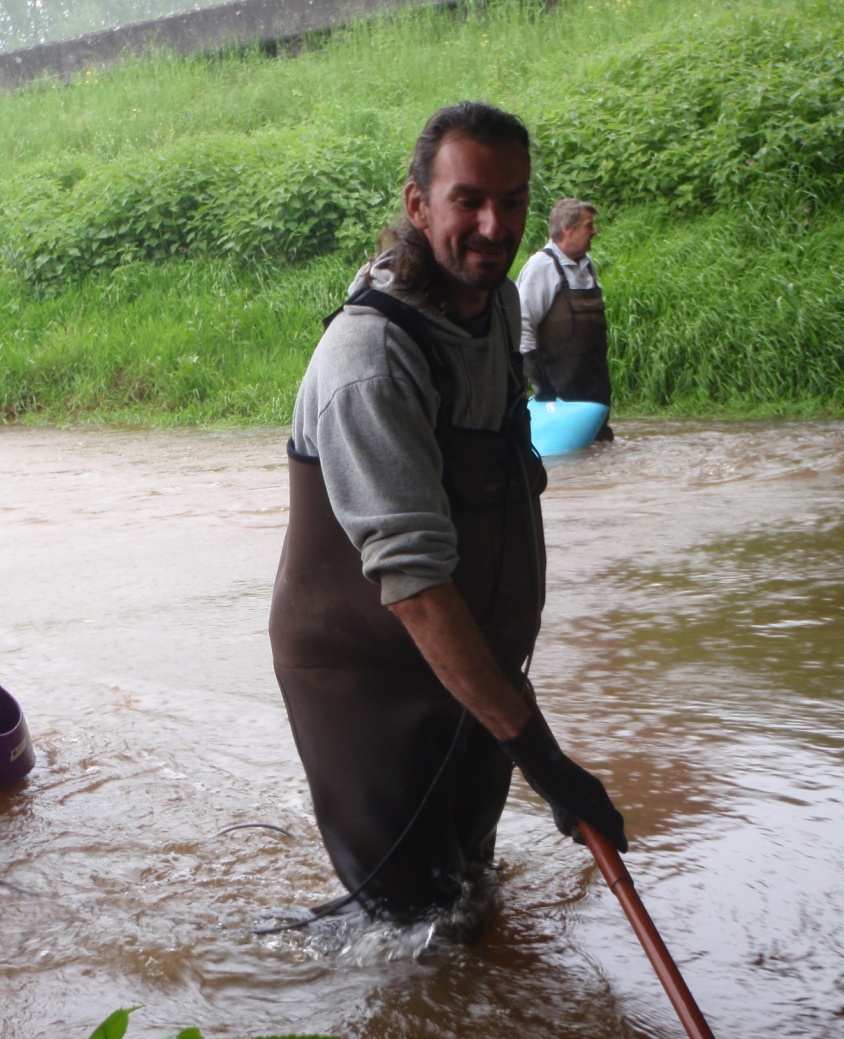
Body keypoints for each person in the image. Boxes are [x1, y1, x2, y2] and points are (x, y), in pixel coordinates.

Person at [268, 102, 626, 924]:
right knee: (407, 926)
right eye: (468, 200)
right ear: (417, 205)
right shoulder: (370, 360)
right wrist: (544, 760)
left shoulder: (495, 304)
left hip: (472, 666)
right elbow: (418, 586)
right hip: (366, 676)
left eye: (513, 200)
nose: (494, 225)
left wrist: (511, 708)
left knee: (470, 893)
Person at [516, 197, 614, 441]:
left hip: (595, 385)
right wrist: (542, 388)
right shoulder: (541, 267)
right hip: (557, 390)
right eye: (589, 226)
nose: (595, 231)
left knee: (600, 452)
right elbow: (521, 326)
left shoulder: (588, 266)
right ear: (568, 230)